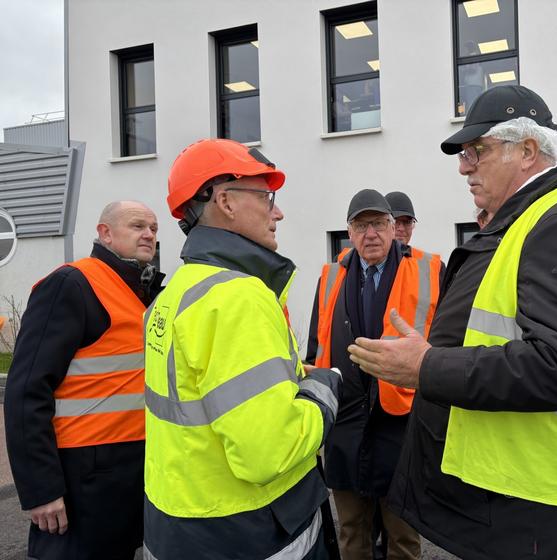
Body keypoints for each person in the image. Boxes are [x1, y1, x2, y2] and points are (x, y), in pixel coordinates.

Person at [348, 85, 557, 560]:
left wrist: (428, 367)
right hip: (526, 498)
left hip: (552, 507)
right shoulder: (524, 224)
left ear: (527, 151)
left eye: (476, 152)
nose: (463, 166)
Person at [142, 139, 341, 560]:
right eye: (267, 197)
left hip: (179, 520)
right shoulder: (237, 297)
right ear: (226, 201)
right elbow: (269, 453)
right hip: (247, 528)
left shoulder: (175, 292)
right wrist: (322, 388)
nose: (278, 211)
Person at [4, 200, 163, 560]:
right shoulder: (72, 284)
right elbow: (26, 391)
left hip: (127, 475)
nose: (149, 235)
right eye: (137, 226)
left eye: (153, 228)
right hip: (81, 482)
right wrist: (41, 489)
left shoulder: (141, 291)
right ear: (104, 233)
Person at [306, 189, 442, 560]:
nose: (372, 234)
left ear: (392, 227)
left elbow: (447, 349)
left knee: (403, 537)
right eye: (362, 225)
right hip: (345, 427)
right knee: (352, 533)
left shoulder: (428, 270)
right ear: (349, 232)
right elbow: (315, 349)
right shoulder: (331, 276)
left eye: (379, 224)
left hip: (402, 427)